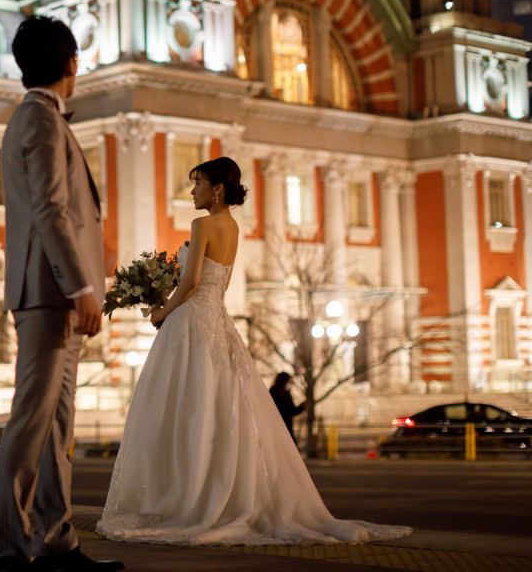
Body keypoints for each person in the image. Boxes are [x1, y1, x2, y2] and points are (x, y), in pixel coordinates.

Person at [97, 157, 411, 546]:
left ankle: (184, 495)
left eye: (198, 184)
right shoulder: (233, 227)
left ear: (217, 189)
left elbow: (192, 280)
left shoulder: (201, 225)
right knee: (219, 407)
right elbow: (219, 287)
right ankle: (214, 493)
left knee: (181, 407)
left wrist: (162, 309)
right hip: (218, 321)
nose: (192, 191)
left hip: (192, 323)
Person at [0, 16, 124, 572]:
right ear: (72, 64)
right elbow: (50, 210)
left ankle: (58, 541)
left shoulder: (38, 118)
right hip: (48, 295)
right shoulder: (40, 120)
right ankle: (7, 551)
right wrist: (83, 287)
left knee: (55, 427)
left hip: (54, 296)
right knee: (31, 422)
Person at [269, 371, 306, 443]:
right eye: (289, 381)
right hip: (277, 427)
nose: (290, 384)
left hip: (287, 428)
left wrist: (302, 406)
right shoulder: (273, 391)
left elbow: (292, 411)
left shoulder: (287, 394)